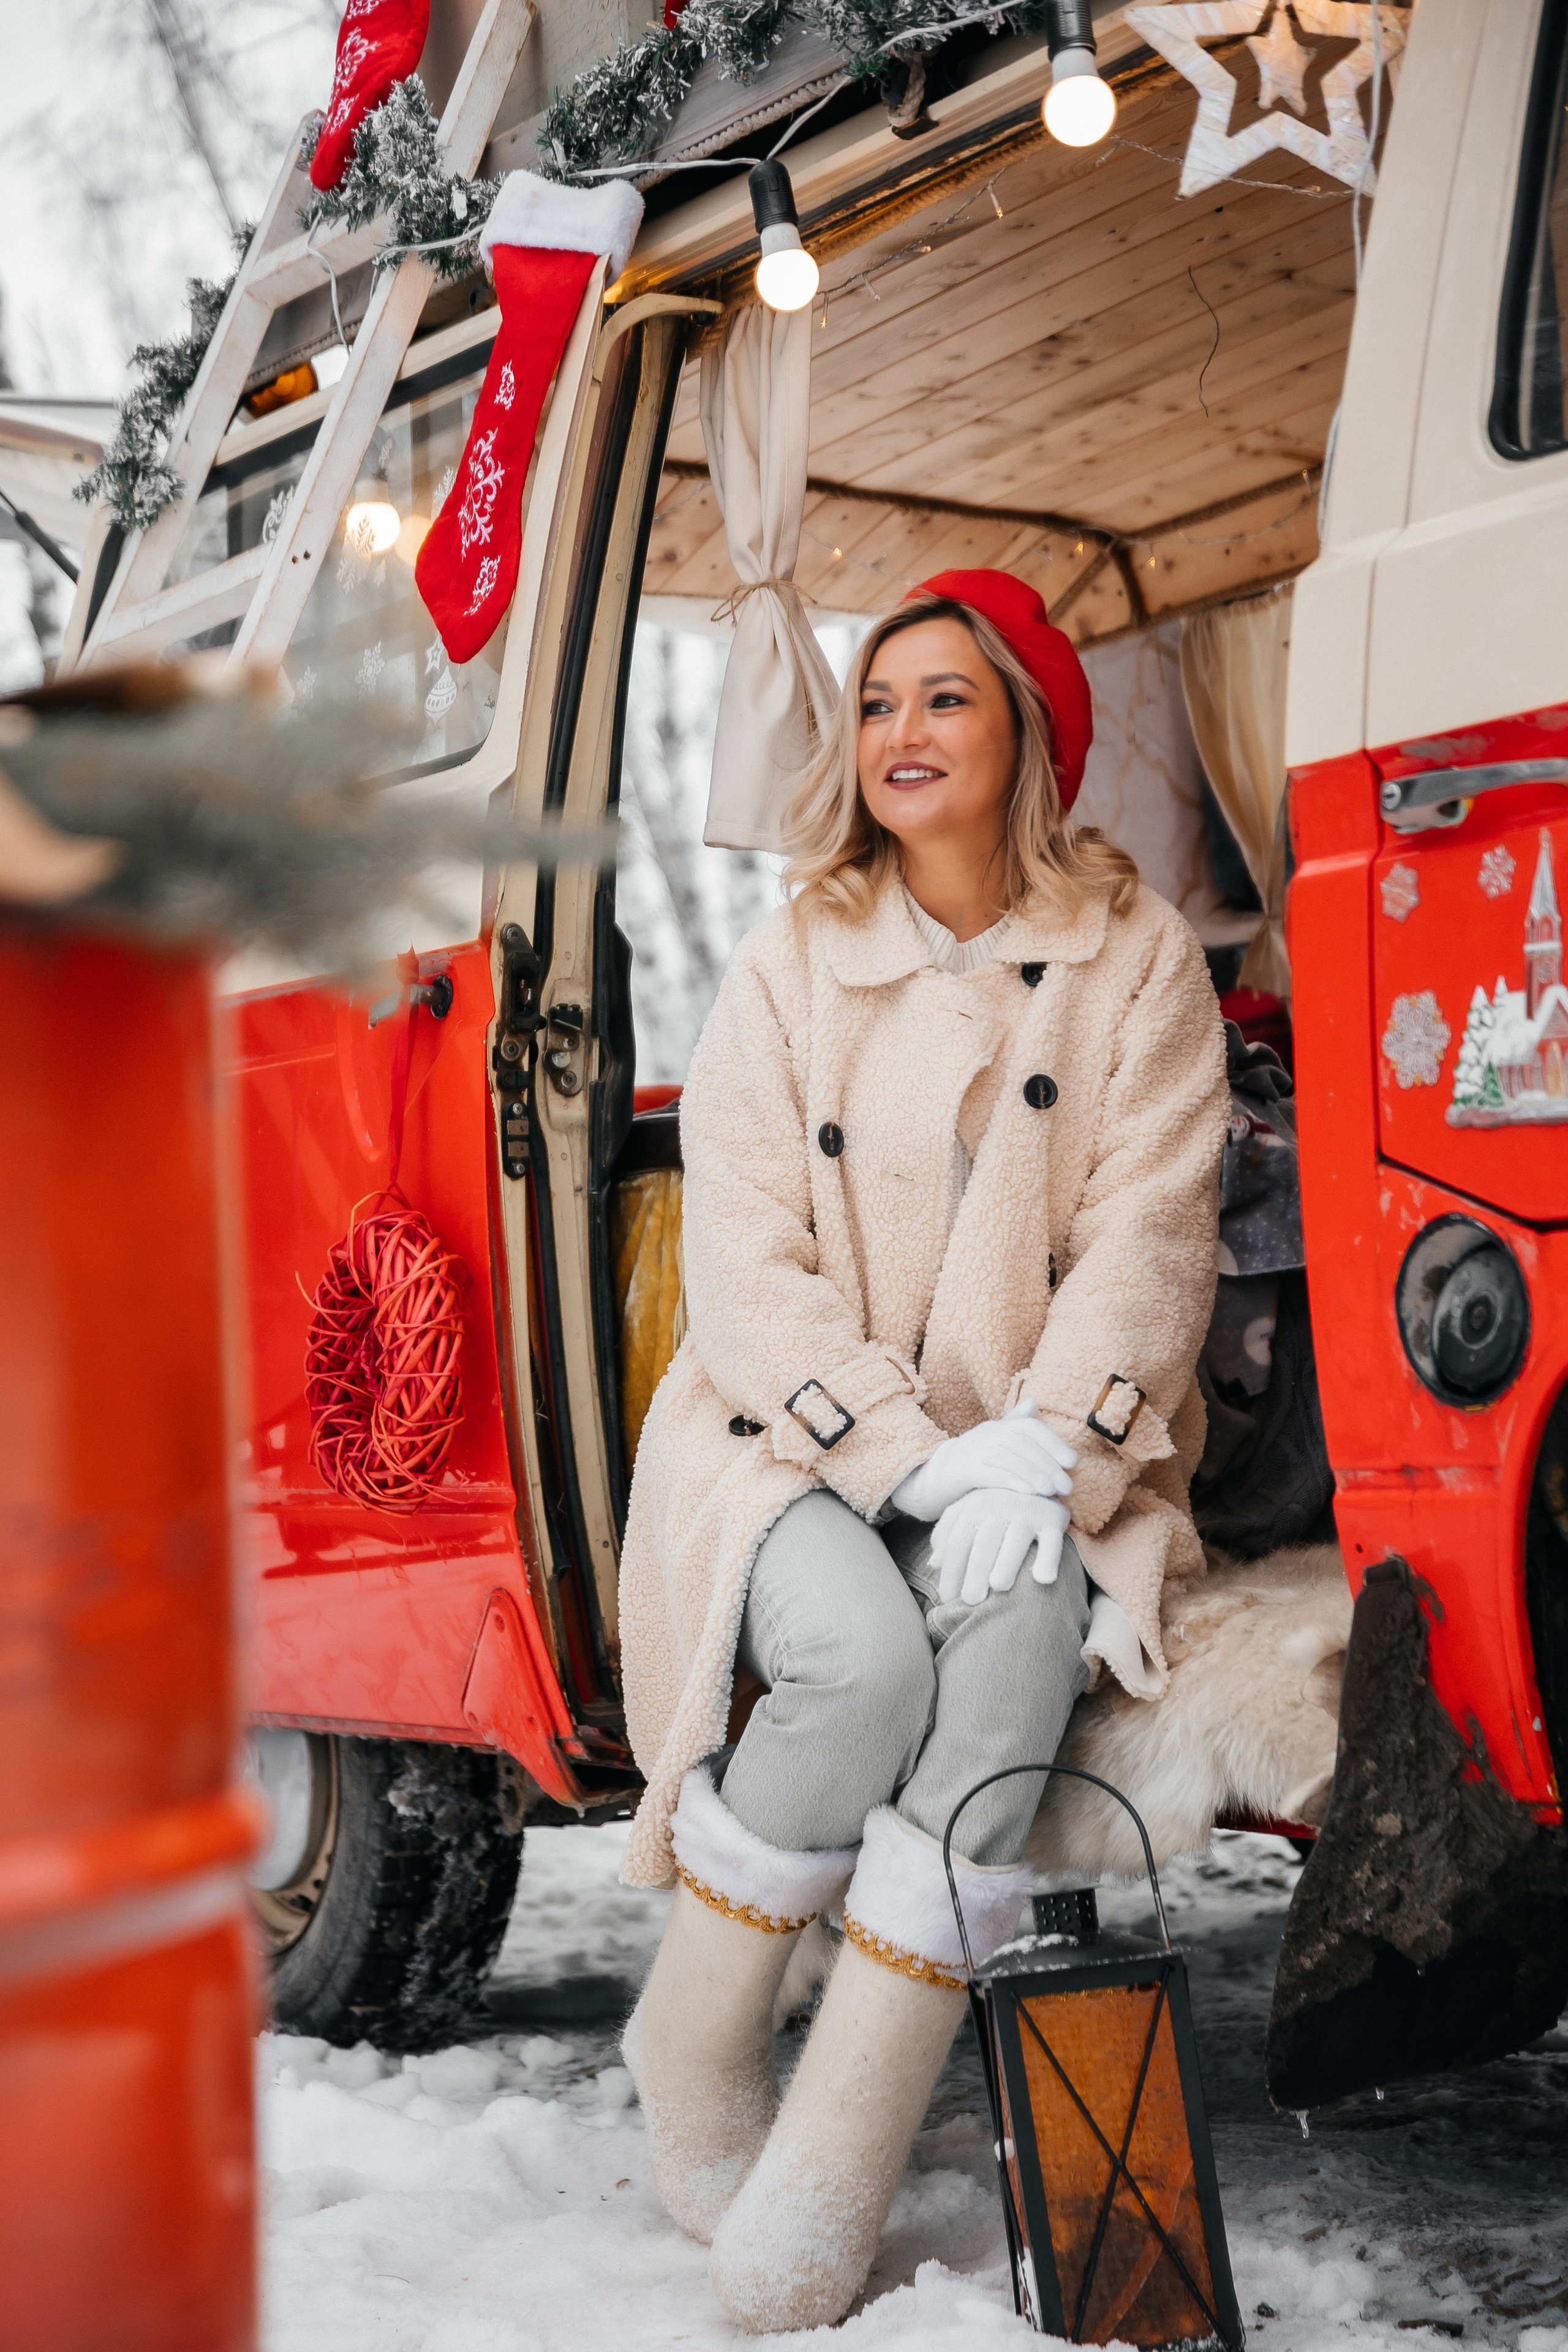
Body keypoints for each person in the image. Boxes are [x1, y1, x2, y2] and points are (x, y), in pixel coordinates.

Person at [616, 568, 1229, 2332]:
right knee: (864, 1659)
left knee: (1023, 1647)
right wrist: (907, 1458)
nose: (899, 734)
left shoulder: (1133, 963)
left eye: (944, 699)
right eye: (878, 703)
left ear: (1027, 731)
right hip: (786, 1443)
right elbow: (744, 1265)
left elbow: (1153, 1236)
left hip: (1044, 1452)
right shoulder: (796, 957)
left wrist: (1045, 1461)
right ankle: (697, 2042)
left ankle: (838, 2156)